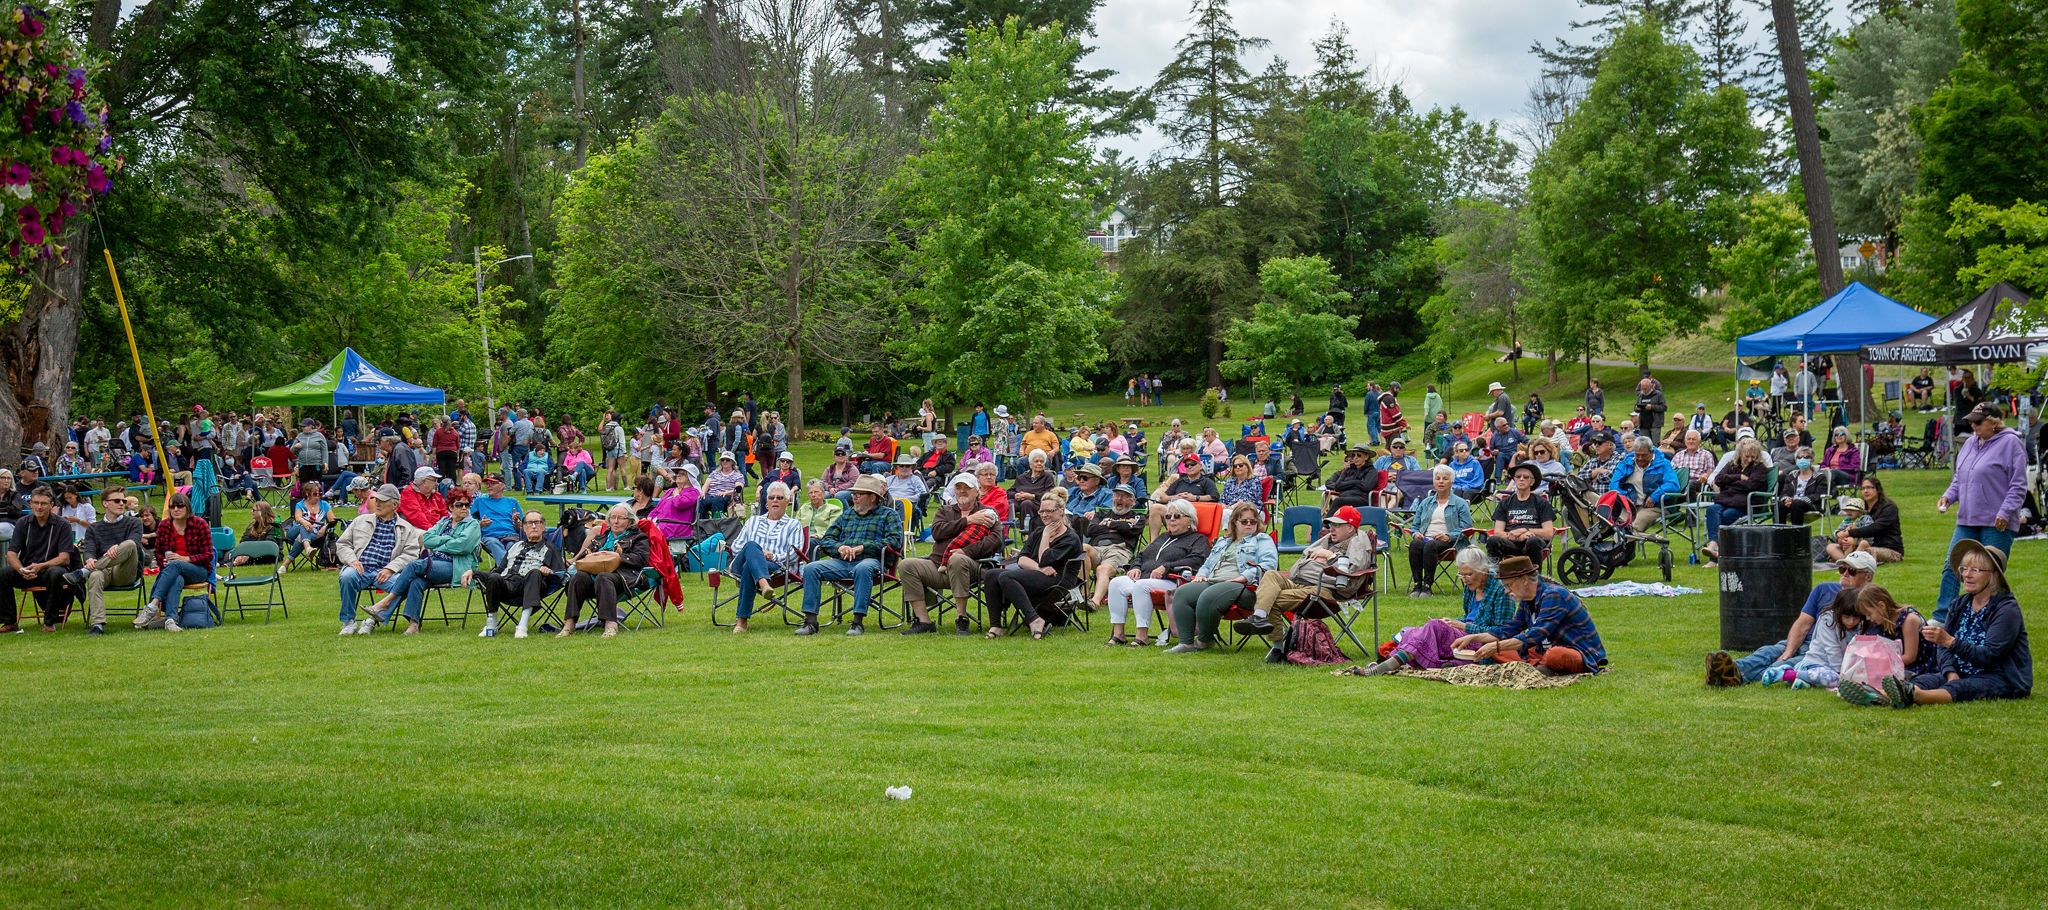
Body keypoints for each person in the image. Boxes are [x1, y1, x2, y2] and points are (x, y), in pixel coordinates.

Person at [1852, 541, 2030, 708]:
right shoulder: (1960, 604)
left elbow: (1990, 655)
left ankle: (1914, 696)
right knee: (1924, 680)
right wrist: (1950, 672)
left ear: (1994, 575)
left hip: (1997, 676)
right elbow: (1942, 648)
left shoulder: (2006, 610)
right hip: (1960, 671)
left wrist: (1950, 641)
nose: (1966, 575)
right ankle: (1880, 695)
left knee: (1961, 688)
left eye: (1975, 570)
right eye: (1964, 569)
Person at [1705, 551, 1877, 686]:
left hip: (1822, 652)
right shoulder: (1824, 589)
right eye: (1842, 569)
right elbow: (1802, 624)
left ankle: (1731, 677)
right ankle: (1730, 669)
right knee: (1767, 652)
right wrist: (1788, 650)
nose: (1845, 573)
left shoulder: (1870, 603)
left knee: (1779, 666)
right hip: (1802, 640)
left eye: (1852, 571)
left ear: (1868, 576)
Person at [1233, 505, 1376, 660]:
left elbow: (1351, 572)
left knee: (1270, 599)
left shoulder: (1357, 543)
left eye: (1337, 525)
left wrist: (1330, 557)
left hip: (1325, 590)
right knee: (1271, 575)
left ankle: (1278, 649)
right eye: (1331, 524)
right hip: (1302, 582)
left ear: (1350, 528)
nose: (1332, 528)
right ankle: (1259, 617)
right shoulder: (1329, 541)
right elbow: (1307, 555)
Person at [1356, 548, 1521, 675]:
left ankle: (1386, 665)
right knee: (1413, 631)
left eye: (1469, 574)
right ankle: (1388, 663)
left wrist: (1464, 627)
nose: (1464, 579)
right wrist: (1452, 622)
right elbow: (1468, 617)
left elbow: (1502, 632)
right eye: (1461, 575)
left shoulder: (1501, 590)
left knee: (1433, 627)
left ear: (1483, 570)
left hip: (1483, 643)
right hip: (1465, 636)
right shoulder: (1471, 587)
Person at [1936, 402, 2027, 621]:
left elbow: (2018, 485)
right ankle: (1943, 617)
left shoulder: (2011, 443)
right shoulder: (1969, 443)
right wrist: (1948, 496)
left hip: (1996, 522)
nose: (1973, 426)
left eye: (1978, 422)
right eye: (1971, 422)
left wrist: (2005, 511)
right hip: (1967, 520)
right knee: (1952, 566)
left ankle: (1990, 616)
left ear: (1994, 423)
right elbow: (1960, 478)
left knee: (1989, 572)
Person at [1455, 555, 1606, 673]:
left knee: (1556, 655)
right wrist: (1474, 637)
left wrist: (1496, 646)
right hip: (1541, 650)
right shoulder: (1527, 599)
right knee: (1496, 649)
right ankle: (1537, 666)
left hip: (1579, 653)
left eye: (1508, 585)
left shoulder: (1554, 595)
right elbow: (1509, 629)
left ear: (1524, 580)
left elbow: (1536, 634)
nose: (1506, 591)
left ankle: (1536, 666)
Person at [1163, 502, 1277, 653]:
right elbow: (1207, 564)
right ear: (1235, 522)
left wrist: (1243, 577)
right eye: (1244, 521)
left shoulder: (1262, 539)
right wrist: (1201, 575)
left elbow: (1268, 565)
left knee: (1208, 596)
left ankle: (1204, 640)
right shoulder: (1224, 541)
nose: (1249, 524)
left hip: (1246, 587)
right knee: (1182, 592)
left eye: (1253, 521)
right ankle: (1186, 643)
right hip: (1213, 581)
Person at [795, 475, 900, 636]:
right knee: (811, 568)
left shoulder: (889, 515)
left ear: (872, 497)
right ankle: (810, 622)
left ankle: (857, 623)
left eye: (859, 494)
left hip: (873, 562)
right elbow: (827, 539)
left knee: (863, 568)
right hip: (843, 563)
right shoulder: (847, 515)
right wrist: (840, 547)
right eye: (853, 494)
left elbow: (894, 541)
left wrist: (863, 548)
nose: (854, 497)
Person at [898, 475, 1004, 635]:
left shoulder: (988, 512)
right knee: (907, 565)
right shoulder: (945, 510)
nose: (962, 491)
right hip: (937, 566)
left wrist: (966, 551)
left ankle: (961, 618)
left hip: (973, 568)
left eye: (967, 487)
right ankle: (924, 621)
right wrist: (967, 521)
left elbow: (995, 541)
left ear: (977, 491)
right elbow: (937, 532)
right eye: (958, 487)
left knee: (957, 559)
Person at [1103, 500, 1210, 648]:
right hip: (1146, 577)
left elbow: (1197, 560)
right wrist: (1136, 567)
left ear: (1190, 520)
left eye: (1177, 516)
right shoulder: (1163, 537)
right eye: (1168, 516)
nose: (1171, 519)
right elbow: (1141, 555)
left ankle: (1142, 636)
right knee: (1116, 583)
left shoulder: (1198, 539)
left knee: (1142, 586)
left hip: (1174, 582)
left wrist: (1167, 567)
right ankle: (1118, 634)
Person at [984, 487, 1084, 640]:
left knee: (1007, 576)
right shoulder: (1038, 532)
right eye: (1041, 511)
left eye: (1049, 511)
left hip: (1059, 580)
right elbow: (1022, 559)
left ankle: (1034, 619)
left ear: (1061, 511)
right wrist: (1039, 568)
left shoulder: (1070, 538)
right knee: (991, 574)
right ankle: (996, 625)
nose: (1044, 515)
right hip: (1039, 574)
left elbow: (1045, 559)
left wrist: (1046, 536)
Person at [373, 491, 481, 634]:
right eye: (459, 505)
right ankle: (413, 625)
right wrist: (449, 541)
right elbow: (427, 539)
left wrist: (439, 544)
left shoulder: (472, 525)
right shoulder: (444, 522)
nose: (464, 508)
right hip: (434, 563)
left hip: (456, 567)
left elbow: (463, 546)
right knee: (416, 582)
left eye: (467, 504)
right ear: (450, 507)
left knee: (414, 565)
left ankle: (387, 601)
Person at [335, 484, 424, 635]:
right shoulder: (360, 521)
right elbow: (343, 544)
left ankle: (372, 619)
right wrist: (352, 560)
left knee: (406, 585)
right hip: (359, 568)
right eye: (377, 500)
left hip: (386, 572)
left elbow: (411, 554)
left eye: (382, 501)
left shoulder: (406, 528)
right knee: (346, 576)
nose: (377, 504)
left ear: (395, 505)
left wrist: (390, 568)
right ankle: (348, 622)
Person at [723, 481, 809, 633]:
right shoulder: (753, 520)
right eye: (771, 497)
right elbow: (736, 547)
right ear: (766, 502)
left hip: (775, 567)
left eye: (780, 498)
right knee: (751, 546)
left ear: (787, 502)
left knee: (750, 567)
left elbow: (794, 554)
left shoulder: (793, 525)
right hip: (741, 564)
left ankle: (741, 621)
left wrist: (772, 556)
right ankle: (764, 584)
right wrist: (757, 552)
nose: (775, 500)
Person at [558, 503, 650, 638]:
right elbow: (584, 558)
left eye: (621, 518)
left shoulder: (638, 537)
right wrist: (588, 556)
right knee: (579, 577)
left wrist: (619, 557)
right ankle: (569, 624)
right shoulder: (601, 538)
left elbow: (641, 560)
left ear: (630, 521)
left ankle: (610, 624)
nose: (616, 521)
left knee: (604, 577)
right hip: (594, 579)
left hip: (623, 578)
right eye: (613, 517)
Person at [469, 511, 564, 638]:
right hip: (507, 586)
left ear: (543, 527)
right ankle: (491, 624)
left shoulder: (550, 548)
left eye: (537, 522)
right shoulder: (515, 546)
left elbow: (560, 573)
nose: (534, 526)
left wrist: (548, 572)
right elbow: (499, 570)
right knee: (494, 577)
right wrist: (474, 572)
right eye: (530, 523)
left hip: (530, 586)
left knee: (534, 572)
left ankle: (522, 625)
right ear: (524, 527)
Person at [64, 487, 144, 635]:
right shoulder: (94, 528)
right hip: (103, 570)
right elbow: (89, 550)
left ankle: (83, 572)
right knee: (95, 575)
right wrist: (89, 559)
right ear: (105, 503)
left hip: (125, 570)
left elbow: (135, 543)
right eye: (117, 500)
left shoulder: (134, 522)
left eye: (124, 500)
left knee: (130, 544)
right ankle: (97, 625)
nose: (122, 503)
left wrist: (118, 547)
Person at [0, 487, 75, 633]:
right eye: (35, 503)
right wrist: (21, 569)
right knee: (3, 574)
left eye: (43, 503)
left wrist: (41, 566)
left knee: (55, 573)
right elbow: (11, 554)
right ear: (30, 504)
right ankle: (9, 621)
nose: (39, 507)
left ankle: (50, 622)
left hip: (51, 570)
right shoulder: (22, 523)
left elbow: (64, 558)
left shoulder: (63, 525)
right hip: (27, 571)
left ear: (51, 505)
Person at [1405, 464, 1473, 596]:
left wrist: (1449, 536)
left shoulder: (1460, 503)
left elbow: (1467, 528)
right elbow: (1414, 526)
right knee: (1415, 544)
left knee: (1430, 545)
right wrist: (1415, 533)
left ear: (1451, 482)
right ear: (1433, 481)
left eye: (1445, 478)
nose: (1441, 481)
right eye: (1438, 478)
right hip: (1425, 539)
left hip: (1449, 542)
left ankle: (1427, 586)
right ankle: (1417, 585)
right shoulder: (1426, 503)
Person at [1699, 438, 1769, 562]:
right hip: (1726, 500)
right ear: (1740, 454)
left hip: (1745, 505)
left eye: (1753, 457)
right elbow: (1718, 479)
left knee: (1724, 517)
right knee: (1712, 510)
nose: (1750, 459)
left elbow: (1751, 485)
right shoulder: (1732, 464)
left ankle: (1715, 552)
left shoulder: (1760, 468)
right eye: (1747, 456)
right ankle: (1714, 545)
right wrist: (1739, 477)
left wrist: (1729, 483)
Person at [1082, 483, 1145, 609]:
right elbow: (1090, 530)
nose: (1119, 499)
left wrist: (1109, 523)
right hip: (1097, 549)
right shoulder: (1101, 514)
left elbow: (1132, 529)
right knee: (1083, 547)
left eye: (1124, 496)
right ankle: (1085, 596)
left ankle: (1094, 602)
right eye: (1116, 495)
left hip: (1119, 550)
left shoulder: (1137, 516)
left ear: (1132, 501)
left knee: (1102, 569)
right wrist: (1119, 526)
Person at [1608, 437, 1681, 531]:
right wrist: (1625, 498)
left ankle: (1631, 539)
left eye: (1644, 455)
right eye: (1637, 455)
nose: (1640, 458)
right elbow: (1613, 485)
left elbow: (1673, 485)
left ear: (1652, 452)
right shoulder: (1625, 463)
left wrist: (1655, 496)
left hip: (1655, 507)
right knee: (1617, 525)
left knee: (1633, 527)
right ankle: (1634, 540)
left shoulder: (1664, 464)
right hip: (1629, 507)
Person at [1486, 463, 1554, 562]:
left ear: (1532, 482)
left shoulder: (1542, 503)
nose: (1521, 479)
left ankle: (1534, 571)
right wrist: (1517, 537)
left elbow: (1548, 533)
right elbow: (1498, 532)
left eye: (1526, 477)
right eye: (1518, 476)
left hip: (1533, 542)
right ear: (1514, 480)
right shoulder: (1505, 503)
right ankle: (1494, 570)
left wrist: (1525, 530)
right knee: (1493, 540)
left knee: (1533, 541)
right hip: (1511, 542)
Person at [1827, 475, 1902, 564]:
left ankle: (1849, 561)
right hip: (1859, 545)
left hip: (1888, 549)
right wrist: (1842, 537)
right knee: (1831, 547)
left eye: (1869, 488)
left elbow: (1874, 528)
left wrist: (1849, 533)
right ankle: (1848, 562)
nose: (1866, 491)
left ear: (1878, 490)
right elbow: (1845, 525)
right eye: (1863, 488)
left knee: (1867, 552)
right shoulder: (1860, 508)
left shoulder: (1889, 508)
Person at [1146, 456, 1218, 535]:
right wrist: (1176, 497)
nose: (1189, 467)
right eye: (1187, 465)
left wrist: (1195, 498)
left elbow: (1214, 497)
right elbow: (1162, 497)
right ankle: (1154, 541)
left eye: (1192, 464)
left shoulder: (1206, 481)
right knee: (1155, 508)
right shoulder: (1180, 481)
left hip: (1193, 514)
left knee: (1180, 515)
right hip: (1174, 511)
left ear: (1200, 466)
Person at [1009, 450, 1058, 534]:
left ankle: (1027, 534)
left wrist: (1032, 496)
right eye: (1036, 461)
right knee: (1008, 503)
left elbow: (1050, 493)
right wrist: (1015, 495)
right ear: (1030, 464)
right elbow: (1009, 491)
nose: (1039, 463)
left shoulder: (1047, 477)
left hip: (1038, 502)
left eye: (1041, 461)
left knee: (1026, 503)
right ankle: (1003, 532)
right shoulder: (1022, 477)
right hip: (1021, 501)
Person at [649, 465, 701, 543]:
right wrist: (649, 518)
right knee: (637, 529)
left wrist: (676, 495)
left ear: (690, 478)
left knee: (643, 536)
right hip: (660, 523)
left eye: (682, 474)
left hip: (675, 527)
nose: (678, 475)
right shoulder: (670, 491)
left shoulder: (693, 493)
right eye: (677, 473)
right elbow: (658, 508)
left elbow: (679, 504)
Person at [1325, 445, 1381, 515]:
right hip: (1345, 496)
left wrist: (1348, 484)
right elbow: (1338, 486)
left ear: (1366, 457)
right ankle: (1330, 521)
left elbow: (1366, 486)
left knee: (1338, 501)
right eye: (1353, 455)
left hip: (1361, 499)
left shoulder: (1371, 471)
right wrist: (1356, 482)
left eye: (1359, 455)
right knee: (1336, 500)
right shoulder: (1348, 470)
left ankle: (1326, 522)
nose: (1355, 457)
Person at [397, 465, 448, 531]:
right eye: (434, 480)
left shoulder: (436, 495)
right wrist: (433, 531)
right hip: (415, 531)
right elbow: (416, 516)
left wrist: (445, 528)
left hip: (436, 530)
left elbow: (445, 514)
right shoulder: (408, 493)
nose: (436, 483)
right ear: (423, 482)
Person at [703, 452, 746, 517]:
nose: (725, 461)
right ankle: (701, 521)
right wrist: (703, 493)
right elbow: (706, 485)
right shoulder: (714, 473)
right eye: (723, 460)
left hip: (728, 498)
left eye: (727, 460)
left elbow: (738, 489)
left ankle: (717, 522)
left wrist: (726, 493)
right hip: (711, 495)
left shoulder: (738, 475)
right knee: (701, 500)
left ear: (732, 462)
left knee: (717, 500)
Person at [290, 418, 329, 489]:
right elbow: (292, 451)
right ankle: (304, 496)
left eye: (304, 426)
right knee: (303, 486)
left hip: (316, 464)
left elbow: (324, 450)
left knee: (315, 485)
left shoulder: (319, 436)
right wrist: (295, 447)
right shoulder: (299, 436)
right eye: (302, 426)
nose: (302, 428)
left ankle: (316, 496)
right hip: (303, 465)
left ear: (311, 426)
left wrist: (325, 462)